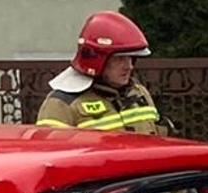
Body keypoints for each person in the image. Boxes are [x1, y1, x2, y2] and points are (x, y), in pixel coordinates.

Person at [36, 11, 167, 134]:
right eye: (119, 59)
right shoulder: (60, 103)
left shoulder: (139, 93)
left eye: (131, 58)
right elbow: (52, 152)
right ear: (96, 60)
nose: (129, 66)